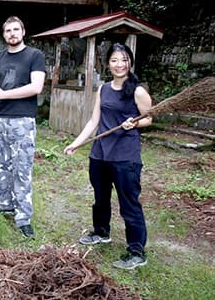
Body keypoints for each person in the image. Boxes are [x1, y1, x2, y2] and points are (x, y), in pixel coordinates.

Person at [64, 43, 152, 270]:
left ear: (130, 62)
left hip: (125, 157)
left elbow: (149, 119)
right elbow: (94, 121)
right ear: (108, 63)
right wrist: (77, 143)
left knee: (129, 204)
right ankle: (101, 232)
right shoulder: (103, 89)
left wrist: (133, 123)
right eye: (114, 60)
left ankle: (136, 251)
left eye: (124, 60)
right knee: (100, 198)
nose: (119, 64)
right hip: (100, 154)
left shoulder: (138, 91)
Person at [0, 16, 46, 239]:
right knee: (0, 166)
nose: (12, 34)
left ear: (23, 31)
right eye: (8, 30)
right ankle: (5, 204)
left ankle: (23, 217)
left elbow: (36, 87)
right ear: (4, 34)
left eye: (16, 29)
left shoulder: (35, 56)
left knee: (22, 169)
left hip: (22, 121)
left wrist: (4, 95)